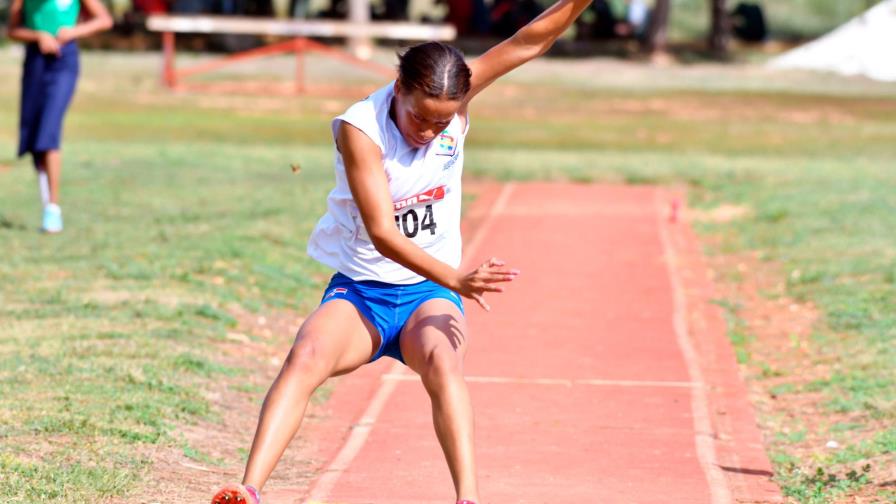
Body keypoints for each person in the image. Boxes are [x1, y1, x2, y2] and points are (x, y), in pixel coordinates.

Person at [211, 1, 594, 503]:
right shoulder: (360, 129)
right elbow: (382, 233)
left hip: (427, 294)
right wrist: (457, 277)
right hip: (362, 291)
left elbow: (530, 40)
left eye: (443, 122)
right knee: (306, 355)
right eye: (419, 118)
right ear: (398, 90)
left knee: (442, 363)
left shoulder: (454, 89)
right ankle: (249, 490)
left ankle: (467, 498)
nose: (429, 132)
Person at [7, 0, 113, 233]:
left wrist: (73, 31)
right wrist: (38, 36)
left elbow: (105, 20)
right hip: (35, 62)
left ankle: (54, 208)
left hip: (64, 61)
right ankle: (47, 202)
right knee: (34, 135)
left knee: (49, 129)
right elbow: (12, 30)